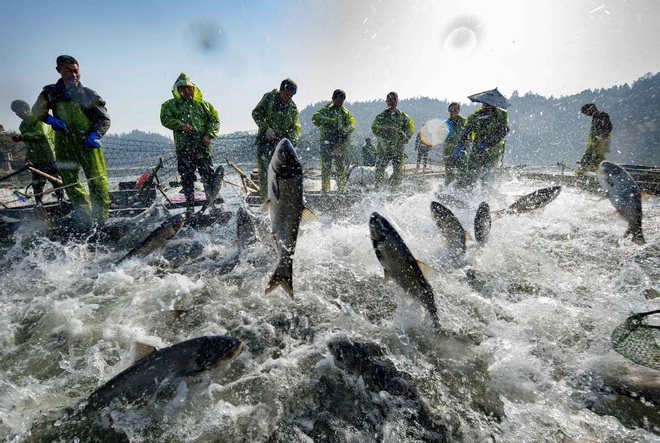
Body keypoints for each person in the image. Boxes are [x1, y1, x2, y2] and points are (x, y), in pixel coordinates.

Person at [32, 55, 111, 226]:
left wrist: (96, 135)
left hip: (88, 142)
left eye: (76, 71)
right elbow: (37, 110)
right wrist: (51, 120)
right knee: (69, 179)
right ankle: (83, 214)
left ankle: (101, 219)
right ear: (59, 70)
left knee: (97, 180)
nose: (73, 75)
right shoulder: (51, 92)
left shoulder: (88, 94)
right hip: (64, 141)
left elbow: (104, 119)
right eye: (68, 71)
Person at [160, 73, 220, 214]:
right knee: (187, 177)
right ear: (178, 90)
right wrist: (180, 125)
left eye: (189, 88)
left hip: (203, 148)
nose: (186, 91)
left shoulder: (204, 106)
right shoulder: (170, 105)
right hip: (184, 148)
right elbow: (165, 118)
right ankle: (190, 207)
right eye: (182, 89)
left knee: (208, 175)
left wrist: (208, 135)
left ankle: (212, 205)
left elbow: (215, 120)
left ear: (194, 89)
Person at [251, 79, 301, 202]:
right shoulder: (269, 98)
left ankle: (281, 203)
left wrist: (289, 144)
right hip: (265, 142)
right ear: (280, 90)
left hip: (281, 147)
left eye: (291, 95)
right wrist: (266, 127)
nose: (287, 97)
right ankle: (266, 203)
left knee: (282, 177)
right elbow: (256, 113)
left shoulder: (293, 108)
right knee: (266, 176)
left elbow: (295, 129)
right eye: (286, 94)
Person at [10, 99, 64, 205]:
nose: (17, 114)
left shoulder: (39, 119)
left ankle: (61, 202)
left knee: (56, 181)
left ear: (25, 109)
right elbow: (29, 144)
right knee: (37, 184)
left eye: (17, 111)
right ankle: (39, 205)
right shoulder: (22, 126)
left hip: (49, 158)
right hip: (35, 161)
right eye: (15, 112)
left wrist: (22, 137)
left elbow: (42, 135)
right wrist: (27, 157)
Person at [311, 89, 356, 193]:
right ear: (333, 99)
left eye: (342, 101)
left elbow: (352, 124)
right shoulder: (326, 109)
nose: (340, 103)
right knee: (326, 166)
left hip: (339, 143)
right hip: (326, 142)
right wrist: (329, 120)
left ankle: (341, 188)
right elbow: (315, 118)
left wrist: (345, 130)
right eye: (338, 101)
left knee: (340, 166)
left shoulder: (345, 112)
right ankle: (325, 190)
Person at [454, 103, 509, 186]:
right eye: (485, 105)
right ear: (483, 105)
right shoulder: (475, 116)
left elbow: (503, 132)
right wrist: (459, 147)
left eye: (489, 106)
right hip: (476, 150)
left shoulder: (500, 116)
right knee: (471, 175)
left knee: (488, 176)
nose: (487, 107)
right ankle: (468, 194)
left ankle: (487, 195)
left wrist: (487, 144)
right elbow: (465, 133)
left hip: (492, 151)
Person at [371, 92, 415, 189]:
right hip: (384, 148)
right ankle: (378, 188)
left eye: (394, 100)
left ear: (397, 101)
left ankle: (396, 189)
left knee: (398, 170)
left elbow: (410, 127)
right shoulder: (381, 116)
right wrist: (386, 129)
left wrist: (406, 137)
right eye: (390, 100)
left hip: (398, 148)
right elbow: (374, 128)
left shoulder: (403, 116)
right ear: (386, 101)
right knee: (380, 168)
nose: (392, 102)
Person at [578, 103, 612, 174]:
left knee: (593, 158)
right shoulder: (595, 117)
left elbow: (608, 127)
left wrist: (602, 138)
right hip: (595, 142)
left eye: (586, 112)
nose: (587, 115)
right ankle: (590, 174)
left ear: (590, 109)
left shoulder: (602, 115)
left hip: (600, 142)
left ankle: (585, 174)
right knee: (592, 158)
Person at [443, 102, 466, 185]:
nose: (453, 111)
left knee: (462, 172)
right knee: (449, 173)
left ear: (459, 110)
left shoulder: (465, 122)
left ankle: (462, 189)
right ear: (449, 111)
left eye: (456, 109)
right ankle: (447, 190)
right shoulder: (445, 123)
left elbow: (471, 133)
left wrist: (468, 140)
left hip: (462, 151)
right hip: (448, 151)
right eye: (451, 110)